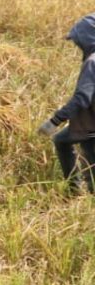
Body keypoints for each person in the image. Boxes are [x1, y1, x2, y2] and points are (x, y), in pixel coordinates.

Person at [38, 13, 95, 193]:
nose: (77, 45)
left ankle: (76, 192)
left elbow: (82, 97)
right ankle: (74, 189)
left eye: (78, 41)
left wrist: (55, 121)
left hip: (91, 126)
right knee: (62, 140)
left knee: (91, 169)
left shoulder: (92, 62)